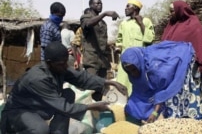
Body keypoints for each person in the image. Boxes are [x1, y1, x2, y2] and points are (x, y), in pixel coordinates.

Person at [0, 41, 128, 134]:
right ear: (49, 63)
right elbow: (62, 106)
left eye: (66, 62)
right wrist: (93, 106)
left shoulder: (59, 68)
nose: (65, 66)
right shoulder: (37, 78)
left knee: (68, 94)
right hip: (19, 112)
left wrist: (110, 83)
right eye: (61, 64)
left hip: (39, 108)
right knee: (40, 130)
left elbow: (82, 78)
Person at [120, 41, 202, 126]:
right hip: (161, 69)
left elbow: (162, 90)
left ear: (139, 63)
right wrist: (130, 107)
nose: (133, 73)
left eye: (134, 69)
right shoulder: (135, 65)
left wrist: (154, 112)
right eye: (129, 71)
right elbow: (139, 91)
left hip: (180, 59)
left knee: (176, 100)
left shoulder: (155, 69)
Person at [161, 0, 202, 91]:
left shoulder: (193, 24)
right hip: (170, 67)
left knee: (189, 97)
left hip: (188, 68)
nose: (170, 14)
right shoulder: (171, 25)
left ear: (179, 9)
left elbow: (201, 47)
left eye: (172, 11)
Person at [74, 0, 119, 101]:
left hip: (103, 60)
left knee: (101, 88)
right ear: (91, 6)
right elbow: (88, 24)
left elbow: (102, 41)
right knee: (91, 87)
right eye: (97, 3)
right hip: (92, 60)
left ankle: (97, 111)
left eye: (101, 3)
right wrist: (105, 13)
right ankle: (88, 110)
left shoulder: (103, 23)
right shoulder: (85, 17)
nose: (100, 5)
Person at [115, 0, 155, 95]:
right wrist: (118, 48)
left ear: (135, 8)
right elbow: (119, 39)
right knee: (122, 82)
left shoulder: (146, 21)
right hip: (125, 60)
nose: (125, 9)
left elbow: (149, 39)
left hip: (140, 60)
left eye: (128, 6)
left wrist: (140, 23)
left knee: (139, 84)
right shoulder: (124, 23)